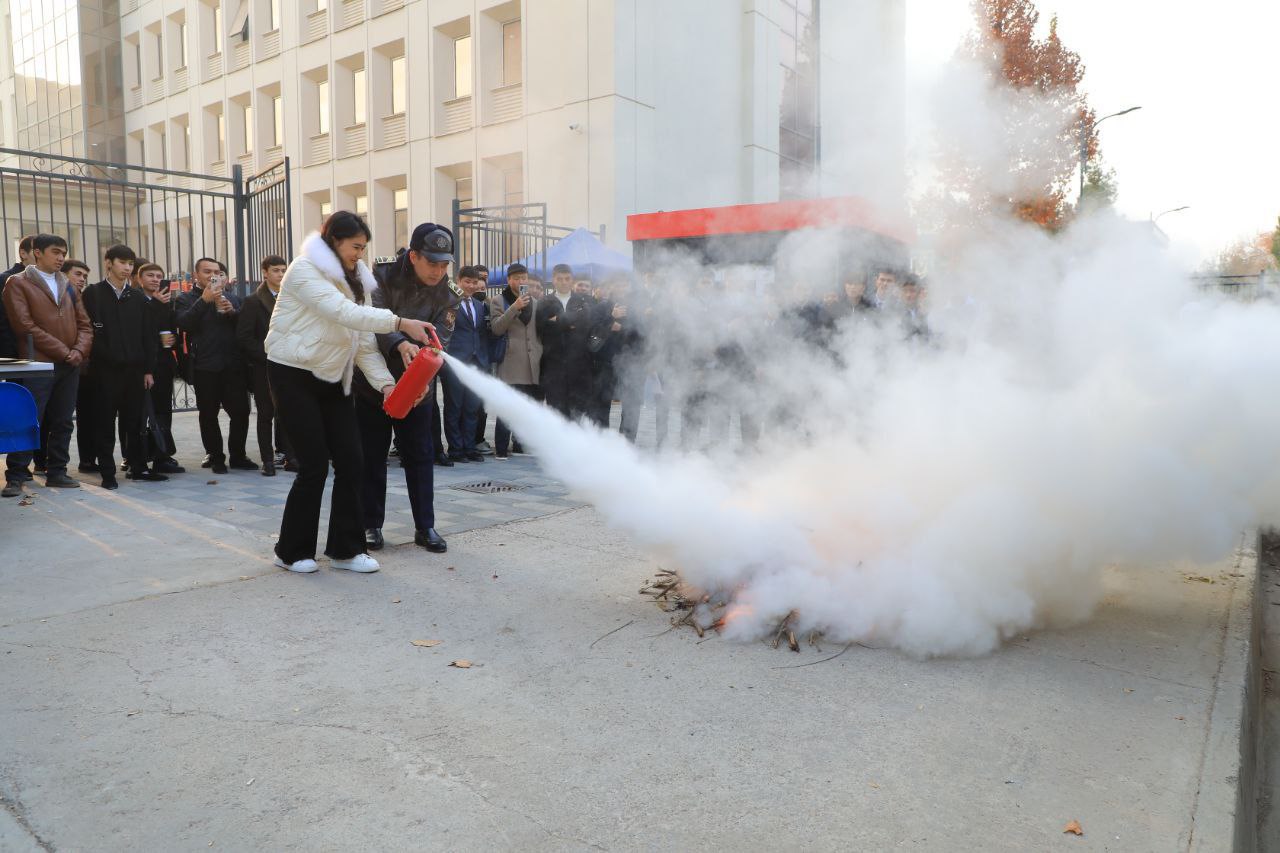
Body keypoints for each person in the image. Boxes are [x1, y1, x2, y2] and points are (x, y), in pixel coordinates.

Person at [265, 211, 436, 574]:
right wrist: (400, 322)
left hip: (334, 375)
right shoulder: (304, 270)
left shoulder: (358, 278)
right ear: (334, 240)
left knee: (352, 461)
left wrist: (387, 385)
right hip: (293, 373)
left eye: (363, 248)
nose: (360, 254)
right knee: (312, 466)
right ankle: (291, 551)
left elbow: (362, 344)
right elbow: (342, 313)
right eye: (355, 246)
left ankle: (346, 549)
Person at [356, 222, 457, 554]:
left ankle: (425, 526)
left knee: (421, 454)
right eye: (432, 263)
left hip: (419, 387)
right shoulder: (381, 275)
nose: (438, 271)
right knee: (372, 455)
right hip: (374, 382)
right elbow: (374, 319)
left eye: (444, 265)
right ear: (413, 256)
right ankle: (370, 525)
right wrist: (400, 343)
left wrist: (421, 379)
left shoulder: (449, 292)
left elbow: (440, 339)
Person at [2, 234, 92, 497]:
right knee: (29, 420)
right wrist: (66, 351)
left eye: (64, 252)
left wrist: (78, 351)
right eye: (55, 252)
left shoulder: (68, 285)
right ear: (37, 252)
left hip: (69, 364)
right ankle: (16, 475)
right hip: (37, 365)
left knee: (64, 420)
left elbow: (85, 324)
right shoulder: (17, 283)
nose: (61, 257)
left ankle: (57, 472)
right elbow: (23, 325)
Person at [82, 253, 165, 488]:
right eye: (122, 263)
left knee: (134, 423)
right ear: (108, 263)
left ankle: (138, 467)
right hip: (104, 372)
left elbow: (148, 336)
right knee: (105, 423)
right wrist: (106, 357)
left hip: (135, 373)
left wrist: (148, 370)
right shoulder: (94, 293)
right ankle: (107, 473)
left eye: (130, 264)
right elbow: (88, 331)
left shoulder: (137, 297)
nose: (127, 268)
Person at [177, 257, 255, 474]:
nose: (213, 276)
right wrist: (204, 300)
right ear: (196, 275)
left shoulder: (232, 297)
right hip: (205, 365)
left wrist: (233, 312)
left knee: (240, 412)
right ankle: (215, 456)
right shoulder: (186, 298)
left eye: (218, 272)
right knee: (208, 414)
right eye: (207, 271)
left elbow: (244, 329)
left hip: (233, 365)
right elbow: (183, 323)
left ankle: (238, 455)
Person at [237, 255, 293, 476]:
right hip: (264, 367)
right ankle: (267, 460)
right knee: (265, 414)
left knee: (288, 412)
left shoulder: (290, 298)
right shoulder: (253, 301)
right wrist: (268, 354)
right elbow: (244, 337)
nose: (280, 274)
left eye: (283, 270)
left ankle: (290, 457)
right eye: (276, 270)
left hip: (289, 364)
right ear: (265, 272)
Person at [133, 261, 184, 475]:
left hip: (163, 364)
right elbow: (138, 331)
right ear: (139, 278)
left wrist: (171, 339)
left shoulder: (165, 302)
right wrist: (153, 304)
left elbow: (170, 330)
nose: (155, 279)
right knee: (139, 413)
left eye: (158, 276)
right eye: (150, 275)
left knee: (163, 412)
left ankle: (162, 455)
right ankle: (135, 457)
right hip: (141, 366)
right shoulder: (135, 300)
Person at [488, 262, 541, 458]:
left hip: (532, 362)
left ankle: (519, 444)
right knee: (507, 406)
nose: (520, 282)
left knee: (525, 406)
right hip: (510, 362)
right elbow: (497, 328)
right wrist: (514, 307)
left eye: (524, 278)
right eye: (516, 278)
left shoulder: (536, 302)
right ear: (509, 280)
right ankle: (501, 448)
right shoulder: (498, 301)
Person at [587, 275, 645, 439]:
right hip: (605, 363)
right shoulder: (601, 307)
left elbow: (643, 334)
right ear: (611, 287)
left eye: (624, 285)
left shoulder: (637, 308)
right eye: (617, 285)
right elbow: (590, 331)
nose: (621, 289)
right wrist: (611, 318)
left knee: (631, 404)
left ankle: (627, 441)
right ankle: (601, 439)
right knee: (602, 403)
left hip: (630, 363)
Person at [441, 265, 490, 463]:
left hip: (476, 362)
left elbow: (481, 333)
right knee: (454, 407)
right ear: (458, 281)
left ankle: (470, 447)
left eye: (474, 282)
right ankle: (456, 449)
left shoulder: (480, 305)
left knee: (472, 407)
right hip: (455, 363)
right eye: (466, 282)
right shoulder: (448, 302)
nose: (471, 286)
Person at [536, 263, 593, 418]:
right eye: (559, 279)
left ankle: (574, 442)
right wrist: (569, 323)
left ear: (572, 280)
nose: (563, 282)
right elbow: (542, 327)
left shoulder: (582, 301)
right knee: (556, 411)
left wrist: (558, 320)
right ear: (553, 280)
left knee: (577, 411)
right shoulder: (544, 302)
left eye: (567, 279)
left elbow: (585, 325)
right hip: (553, 365)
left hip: (578, 365)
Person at [0, 235, 36, 360]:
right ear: (23, 253)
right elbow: (3, 321)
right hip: (15, 355)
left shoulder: (47, 281)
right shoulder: (6, 279)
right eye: (36, 251)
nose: (41, 255)